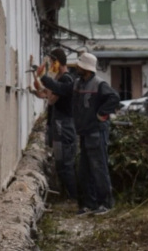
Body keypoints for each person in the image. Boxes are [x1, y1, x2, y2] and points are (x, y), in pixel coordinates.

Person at [41, 52, 120, 216]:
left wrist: (101, 113)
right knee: (84, 171)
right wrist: (43, 77)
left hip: (96, 133)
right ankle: (88, 204)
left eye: (80, 65)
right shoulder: (77, 83)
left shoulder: (99, 84)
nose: (77, 67)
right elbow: (60, 88)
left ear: (87, 69)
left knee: (98, 168)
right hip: (85, 133)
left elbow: (114, 98)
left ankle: (105, 203)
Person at [34, 49, 78, 200]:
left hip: (64, 127)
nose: (51, 65)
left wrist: (45, 78)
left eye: (52, 62)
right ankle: (67, 195)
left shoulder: (66, 80)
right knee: (60, 163)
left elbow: (52, 99)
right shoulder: (60, 79)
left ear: (58, 62)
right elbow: (49, 96)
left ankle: (73, 197)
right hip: (60, 126)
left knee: (65, 164)